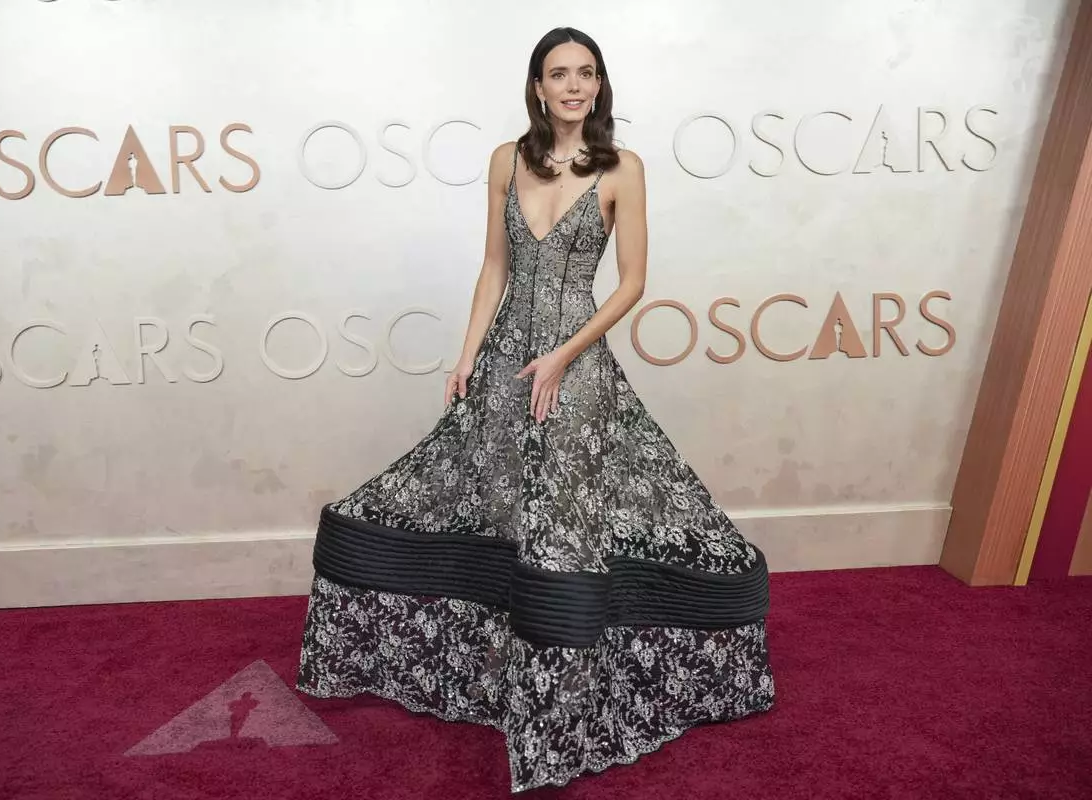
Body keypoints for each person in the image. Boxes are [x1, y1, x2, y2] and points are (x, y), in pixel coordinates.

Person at [296, 26, 775, 794]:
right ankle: (500, 678)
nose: (575, 86)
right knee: (499, 509)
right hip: (502, 365)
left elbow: (632, 284)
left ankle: (560, 703)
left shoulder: (624, 168)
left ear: (599, 85)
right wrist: (465, 357)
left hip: (572, 367)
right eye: (560, 74)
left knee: (562, 522)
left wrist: (562, 355)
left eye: (587, 73)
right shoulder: (504, 159)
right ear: (538, 86)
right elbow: (494, 265)